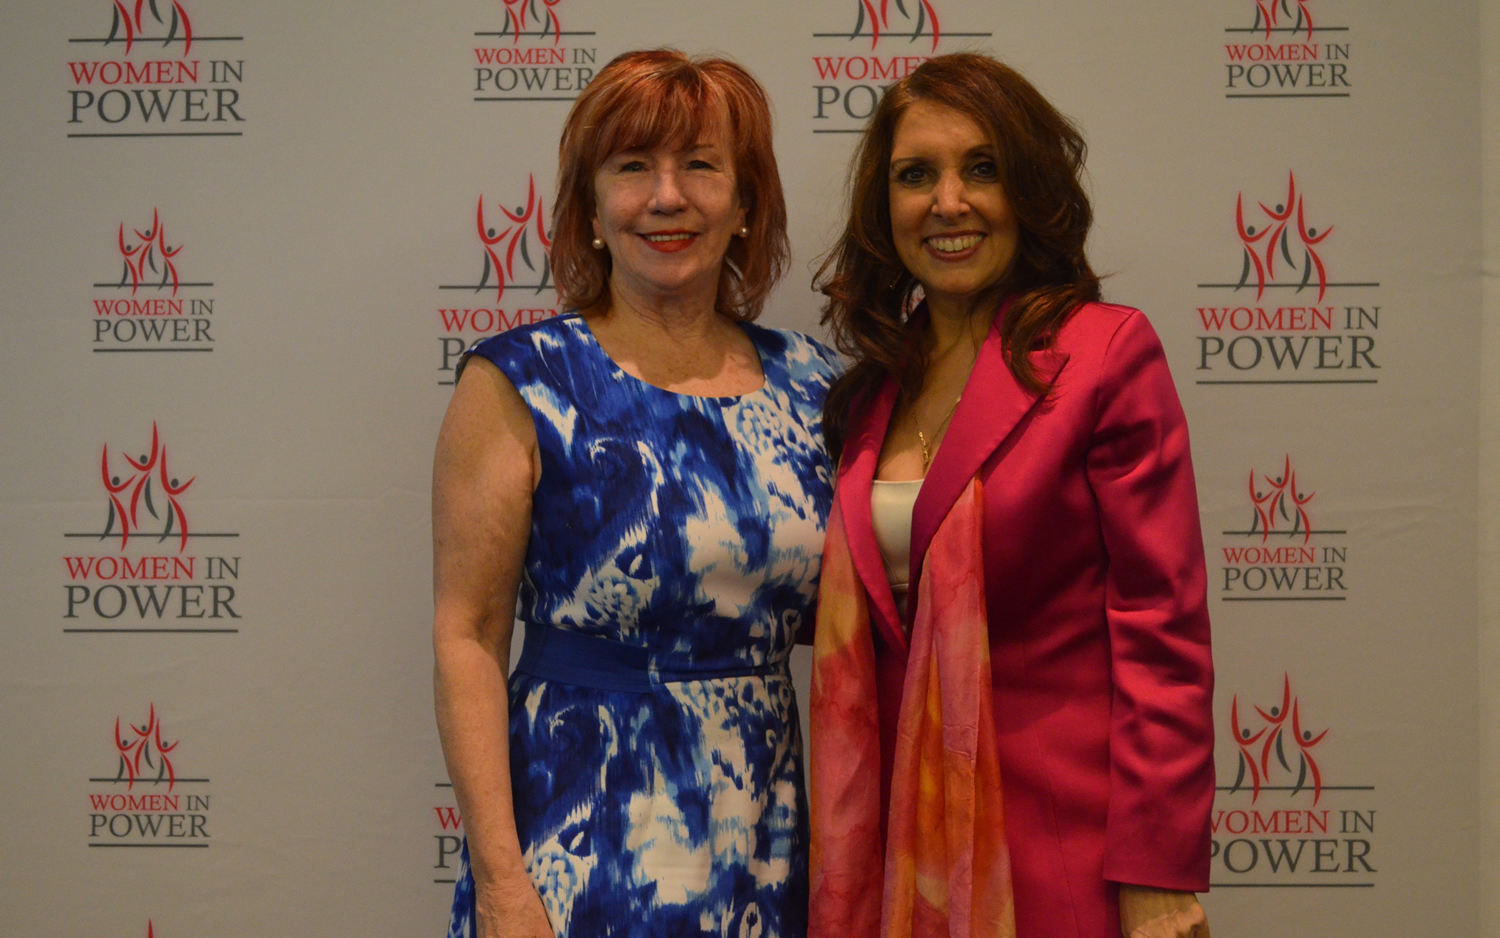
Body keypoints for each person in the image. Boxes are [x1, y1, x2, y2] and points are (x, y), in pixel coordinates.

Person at [807, 53, 1215, 938]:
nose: (948, 202)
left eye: (982, 168)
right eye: (916, 175)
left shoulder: (1104, 356)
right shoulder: (871, 392)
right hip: (897, 859)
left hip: (1064, 851)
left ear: (1028, 189)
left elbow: (1162, 633)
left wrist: (1156, 870)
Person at [433, 50, 836, 938]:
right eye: (632, 167)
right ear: (590, 208)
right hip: (578, 841)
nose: (667, 196)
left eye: (700, 165)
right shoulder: (521, 380)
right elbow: (467, 636)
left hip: (764, 836)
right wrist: (501, 885)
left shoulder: (815, 386)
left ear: (745, 204)